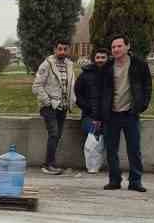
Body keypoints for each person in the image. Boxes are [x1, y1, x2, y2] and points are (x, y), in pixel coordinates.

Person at [96, 34, 151, 193]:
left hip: (130, 114)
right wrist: (100, 114)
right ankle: (114, 180)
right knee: (111, 150)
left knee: (134, 149)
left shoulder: (139, 64)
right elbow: (100, 92)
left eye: (119, 46)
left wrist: (142, 105)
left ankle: (135, 181)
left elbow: (147, 86)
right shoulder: (107, 67)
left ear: (127, 46)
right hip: (111, 114)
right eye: (113, 47)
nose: (116, 49)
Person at [32, 39, 76, 174]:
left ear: (68, 50)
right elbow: (36, 86)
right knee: (54, 133)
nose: (62, 52)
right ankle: (48, 164)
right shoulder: (47, 64)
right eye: (60, 49)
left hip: (63, 107)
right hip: (49, 106)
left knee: (57, 135)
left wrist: (72, 101)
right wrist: (48, 102)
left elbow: (70, 85)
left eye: (65, 49)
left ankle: (51, 163)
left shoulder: (70, 65)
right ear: (55, 50)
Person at [75, 46, 108, 165]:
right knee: (93, 138)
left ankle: (104, 165)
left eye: (103, 57)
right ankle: (92, 165)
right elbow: (77, 94)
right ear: (94, 58)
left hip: (108, 117)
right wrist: (88, 108)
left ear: (107, 58)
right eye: (98, 57)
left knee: (109, 140)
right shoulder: (85, 75)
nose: (100, 60)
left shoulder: (112, 73)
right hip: (89, 116)